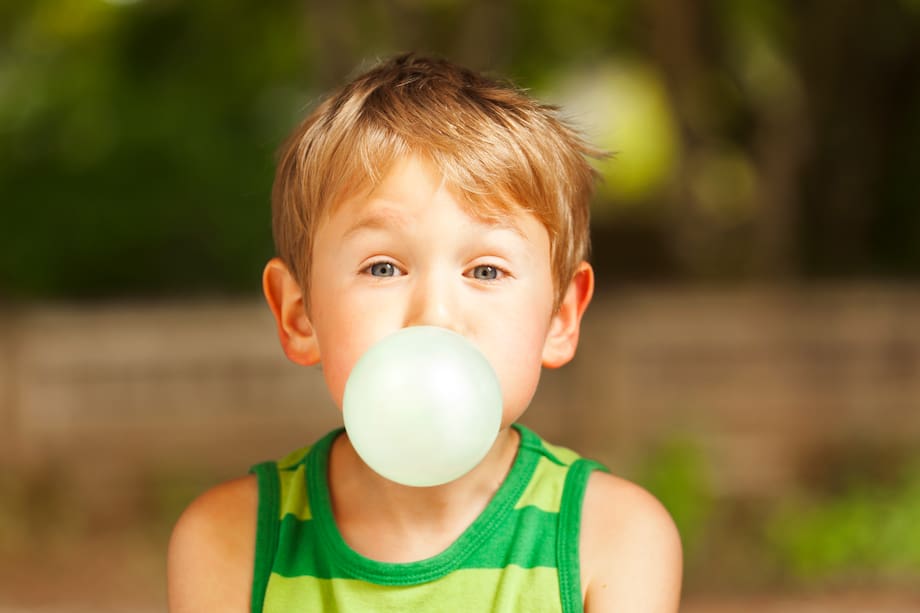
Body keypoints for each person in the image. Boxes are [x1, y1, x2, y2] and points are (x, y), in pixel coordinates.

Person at [167, 53, 682, 612]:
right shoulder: (230, 541)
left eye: (486, 270)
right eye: (383, 267)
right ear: (298, 313)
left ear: (560, 317)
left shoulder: (611, 540)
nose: (435, 314)